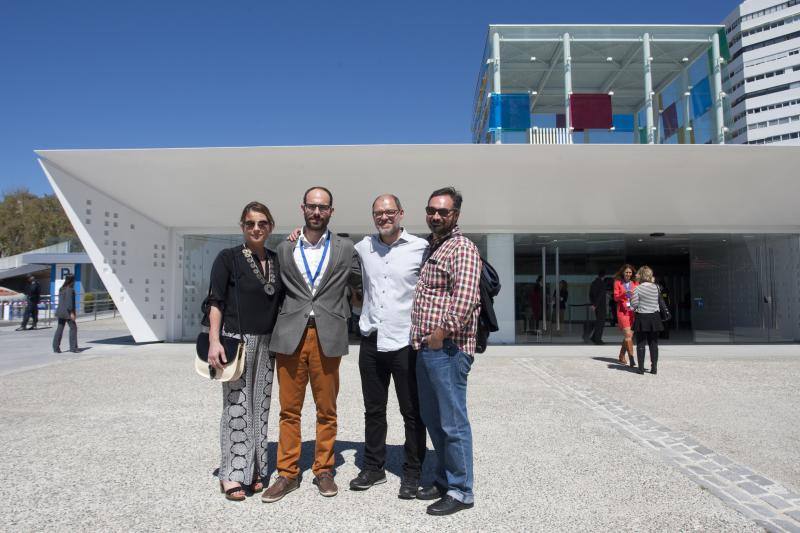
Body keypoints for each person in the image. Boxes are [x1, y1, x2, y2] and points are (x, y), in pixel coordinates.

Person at [262, 186, 357, 503]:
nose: (317, 212)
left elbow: (360, 285)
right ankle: (287, 474)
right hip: (290, 334)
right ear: (303, 208)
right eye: (312, 206)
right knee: (289, 411)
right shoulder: (284, 248)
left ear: (331, 211)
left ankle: (324, 470)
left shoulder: (345, 248)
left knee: (326, 410)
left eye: (323, 207)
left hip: (328, 335)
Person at [348, 194, 429, 500]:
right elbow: (329, 251)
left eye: (389, 212)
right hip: (371, 339)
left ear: (401, 214)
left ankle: (412, 472)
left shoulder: (420, 248)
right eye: (378, 213)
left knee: (412, 413)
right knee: (374, 410)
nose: (384, 217)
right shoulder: (363, 247)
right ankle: (373, 468)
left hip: (405, 341)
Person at [206, 201, 285, 501]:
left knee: (261, 407)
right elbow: (215, 301)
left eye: (262, 223)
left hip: (268, 342)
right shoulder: (228, 258)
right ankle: (231, 473)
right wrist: (214, 340)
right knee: (237, 407)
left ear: (270, 227)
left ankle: (255, 469)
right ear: (242, 226)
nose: (256, 228)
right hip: (236, 340)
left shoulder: (277, 260)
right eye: (250, 223)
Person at [411, 186, 481, 516]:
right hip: (427, 348)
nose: (436, 216)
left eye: (443, 211)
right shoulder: (432, 247)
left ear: (455, 215)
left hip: (448, 348)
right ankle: (445, 477)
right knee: (434, 419)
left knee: (452, 422)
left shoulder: (462, 248)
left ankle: (462, 491)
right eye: (431, 210)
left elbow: (465, 300)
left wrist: (440, 334)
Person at [631, 265, 663, 375]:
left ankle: (640, 368)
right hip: (654, 317)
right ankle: (654, 368)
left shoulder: (637, 288)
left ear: (640, 275)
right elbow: (657, 302)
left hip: (642, 317)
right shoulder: (657, 287)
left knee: (641, 343)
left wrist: (631, 306)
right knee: (653, 343)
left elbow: (634, 304)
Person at [613, 264, 638, 367]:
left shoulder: (635, 283)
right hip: (623, 311)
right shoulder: (618, 282)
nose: (628, 274)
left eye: (630, 272)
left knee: (629, 336)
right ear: (623, 273)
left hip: (633, 311)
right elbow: (615, 297)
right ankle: (631, 358)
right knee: (628, 334)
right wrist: (624, 294)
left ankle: (621, 356)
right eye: (626, 272)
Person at [52, 274, 78, 353]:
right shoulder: (70, 290)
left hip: (60, 311)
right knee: (73, 328)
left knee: (60, 329)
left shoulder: (62, 288)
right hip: (67, 312)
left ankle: (56, 347)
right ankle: (73, 348)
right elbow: (69, 303)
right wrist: (71, 313)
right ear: (72, 280)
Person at [586, 271, 606, 345]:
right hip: (601, 306)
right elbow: (600, 295)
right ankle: (597, 339)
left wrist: (593, 304)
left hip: (596, 306)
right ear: (604, 276)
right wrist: (595, 304)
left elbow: (590, 294)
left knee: (598, 322)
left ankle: (594, 337)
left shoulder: (593, 283)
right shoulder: (602, 283)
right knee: (600, 323)